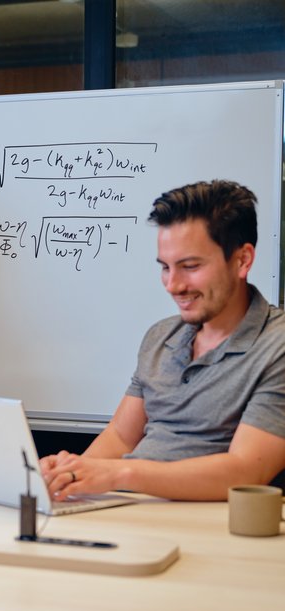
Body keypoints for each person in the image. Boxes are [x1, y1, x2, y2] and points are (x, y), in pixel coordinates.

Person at [41, 179, 285, 501]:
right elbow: (120, 438)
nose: (173, 285)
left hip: (200, 521)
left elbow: (245, 471)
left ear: (242, 260)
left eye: (190, 266)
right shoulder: (161, 337)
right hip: (132, 509)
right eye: (165, 268)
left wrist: (120, 473)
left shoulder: (276, 345)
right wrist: (68, 474)